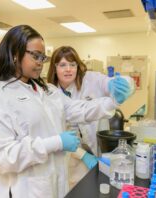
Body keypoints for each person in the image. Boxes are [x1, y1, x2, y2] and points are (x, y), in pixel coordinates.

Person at [0, 25, 120, 198]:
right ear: (15, 53)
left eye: (42, 57)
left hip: (54, 185)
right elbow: (4, 158)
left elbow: (78, 109)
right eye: (35, 55)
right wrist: (56, 143)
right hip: (23, 190)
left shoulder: (47, 90)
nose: (40, 62)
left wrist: (113, 100)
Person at [47, 46, 134, 188]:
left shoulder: (91, 79)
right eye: (63, 65)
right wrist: (82, 155)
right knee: (77, 188)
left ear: (78, 66)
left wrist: (122, 84)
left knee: (103, 185)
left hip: (98, 145)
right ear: (54, 68)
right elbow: (57, 134)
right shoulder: (50, 93)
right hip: (72, 154)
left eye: (72, 64)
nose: (68, 69)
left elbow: (111, 83)